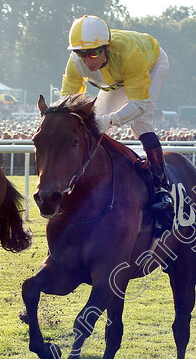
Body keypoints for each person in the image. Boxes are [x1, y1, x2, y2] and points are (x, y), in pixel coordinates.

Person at [60, 15, 174, 229]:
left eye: (93, 53)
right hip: (116, 80)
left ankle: (161, 188)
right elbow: (67, 102)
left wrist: (109, 121)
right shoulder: (77, 62)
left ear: (108, 47)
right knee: (93, 126)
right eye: (80, 53)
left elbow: (139, 104)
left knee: (140, 123)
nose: (87, 61)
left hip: (149, 65)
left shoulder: (129, 53)